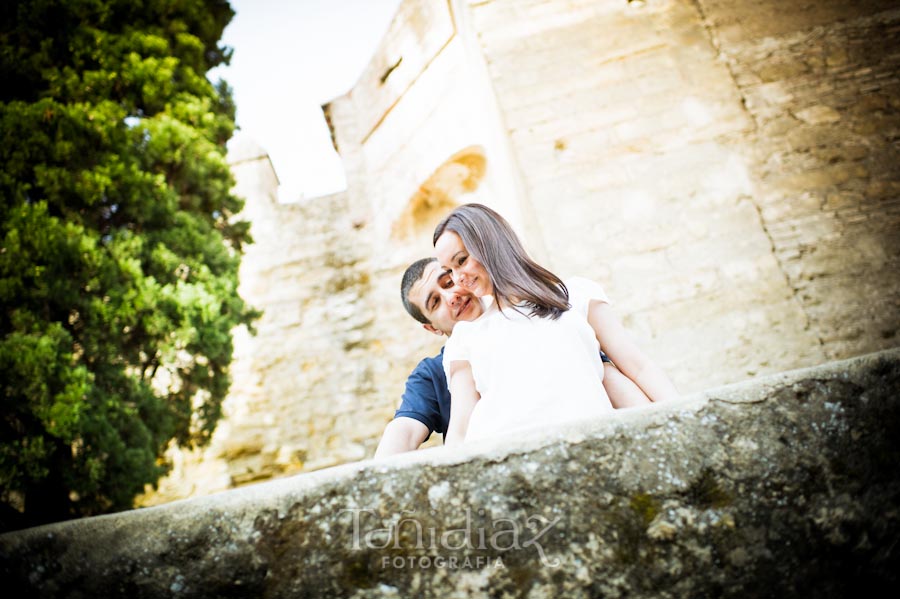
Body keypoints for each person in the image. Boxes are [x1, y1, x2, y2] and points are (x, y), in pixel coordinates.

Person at [433, 203, 678, 444]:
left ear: (488, 243)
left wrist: (681, 418)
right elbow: (461, 428)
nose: (458, 278)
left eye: (462, 260)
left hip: (593, 446)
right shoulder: (466, 336)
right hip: (510, 459)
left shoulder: (575, 295)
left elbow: (637, 366)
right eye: (449, 271)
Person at [375, 256, 659, 457]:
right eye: (435, 302)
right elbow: (405, 430)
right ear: (431, 327)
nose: (451, 297)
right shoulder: (434, 372)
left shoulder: (536, 322)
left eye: (448, 282)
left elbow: (609, 377)